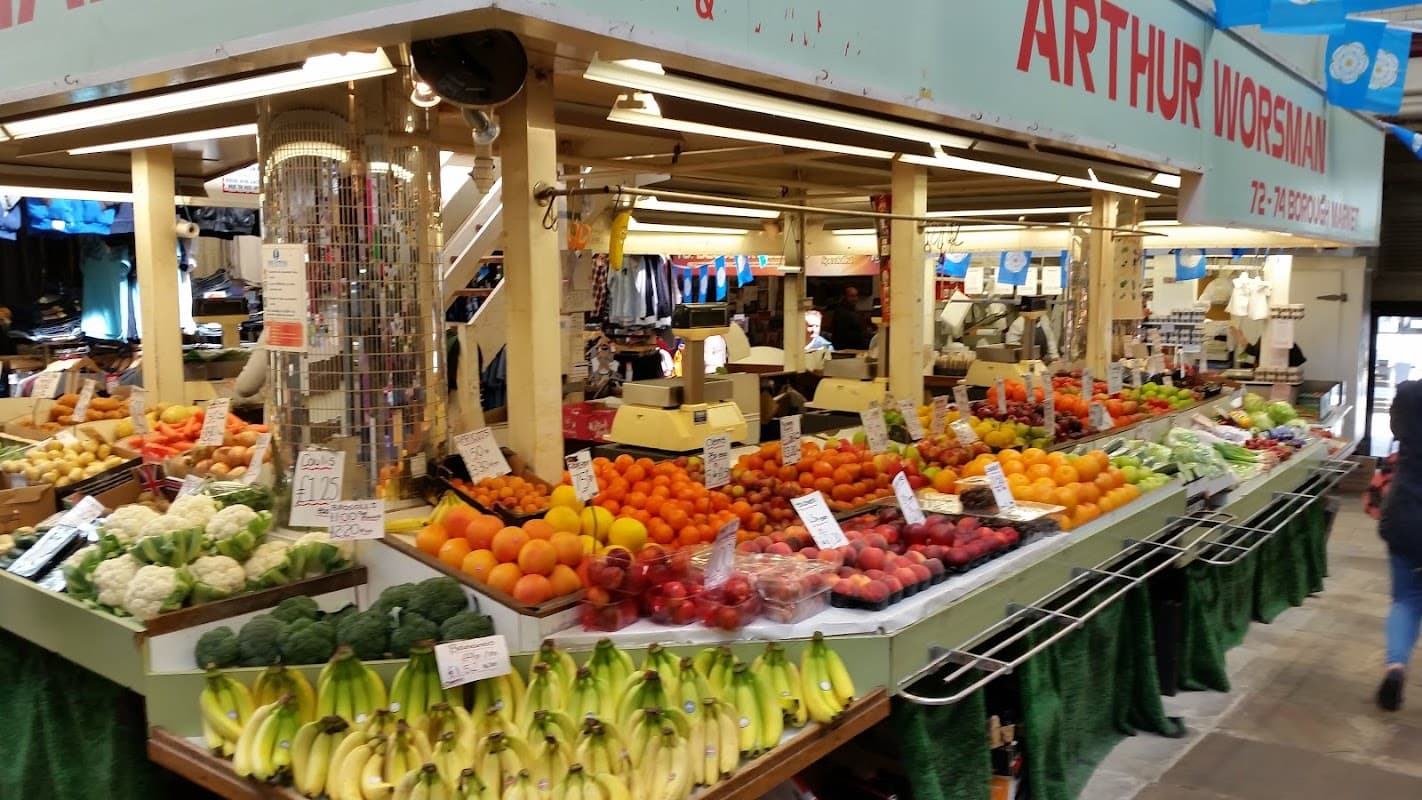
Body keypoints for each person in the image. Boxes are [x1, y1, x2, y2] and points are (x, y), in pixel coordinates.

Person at [1378, 380, 1422, 711]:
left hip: (1406, 511)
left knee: (1405, 599)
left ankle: (1395, 667)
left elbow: (1395, 430)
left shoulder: (1408, 393)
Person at [828, 286, 871, 350]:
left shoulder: (853, 310)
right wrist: (864, 335)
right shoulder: (841, 312)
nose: (855, 299)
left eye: (856, 296)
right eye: (852, 296)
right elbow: (843, 335)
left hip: (856, 343)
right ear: (845, 297)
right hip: (846, 347)